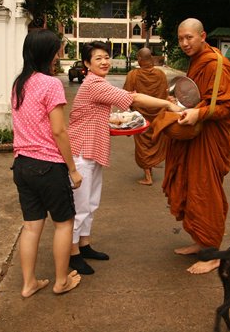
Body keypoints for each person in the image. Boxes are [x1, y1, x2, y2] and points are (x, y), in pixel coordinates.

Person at [67, 41, 182, 275]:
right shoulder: (94, 84)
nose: (105, 61)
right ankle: (72, 254)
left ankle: (84, 245)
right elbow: (135, 99)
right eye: (98, 58)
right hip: (81, 152)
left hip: (93, 151)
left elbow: (100, 115)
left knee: (90, 203)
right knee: (79, 207)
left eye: (106, 57)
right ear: (87, 64)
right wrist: (169, 107)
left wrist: (115, 122)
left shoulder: (98, 84)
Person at [159, 18, 230, 274]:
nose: (184, 43)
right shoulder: (198, 61)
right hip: (195, 136)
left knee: (205, 191)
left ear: (202, 35)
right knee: (191, 187)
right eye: (180, 38)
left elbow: (229, 105)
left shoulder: (217, 65)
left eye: (189, 38)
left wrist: (199, 114)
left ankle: (213, 253)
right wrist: (180, 102)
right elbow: (198, 96)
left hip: (209, 138)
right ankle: (199, 241)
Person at [11, 29, 82, 297]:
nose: (59, 53)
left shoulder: (19, 83)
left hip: (22, 164)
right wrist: (73, 169)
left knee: (31, 226)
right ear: (48, 53)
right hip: (48, 165)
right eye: (57, 49)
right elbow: (58, 131)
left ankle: (29, 284)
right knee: (64, 223)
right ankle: (60, 281)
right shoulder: (50, 84)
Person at [123, 47, 170, 185]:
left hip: (141, 116)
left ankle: (148, 177)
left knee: (143, 146)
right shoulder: (161, 74)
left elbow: (127, 95)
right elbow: (165, 95)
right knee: (155, 142)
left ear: (139, 59)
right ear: (151, 59)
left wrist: (130, 114)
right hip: (158, 115)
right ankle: (153, 163)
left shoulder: (133, 74)